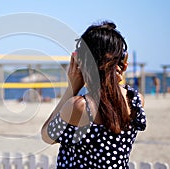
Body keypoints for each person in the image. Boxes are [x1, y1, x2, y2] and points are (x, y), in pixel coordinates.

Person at [41, 21, 146, 168]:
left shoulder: (79, 107)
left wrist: (71, 89)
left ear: (81, 63)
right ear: (123, 64)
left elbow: (47, 135)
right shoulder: (135, 100)